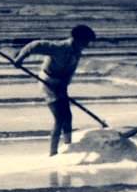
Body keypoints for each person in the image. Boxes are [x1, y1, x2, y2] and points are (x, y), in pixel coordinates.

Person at [13, 24, 97, 156]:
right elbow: (35, 45)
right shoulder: (59, 47)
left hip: (61, 83)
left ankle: (69, 146)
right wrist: (20, 58)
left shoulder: (77, 52)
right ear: (77, 39)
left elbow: (70, 72)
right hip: (47, 82)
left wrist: (63, 86)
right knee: (59, 118)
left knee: (68, 116)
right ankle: (53, 153)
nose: (87, 45)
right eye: (86, 42)